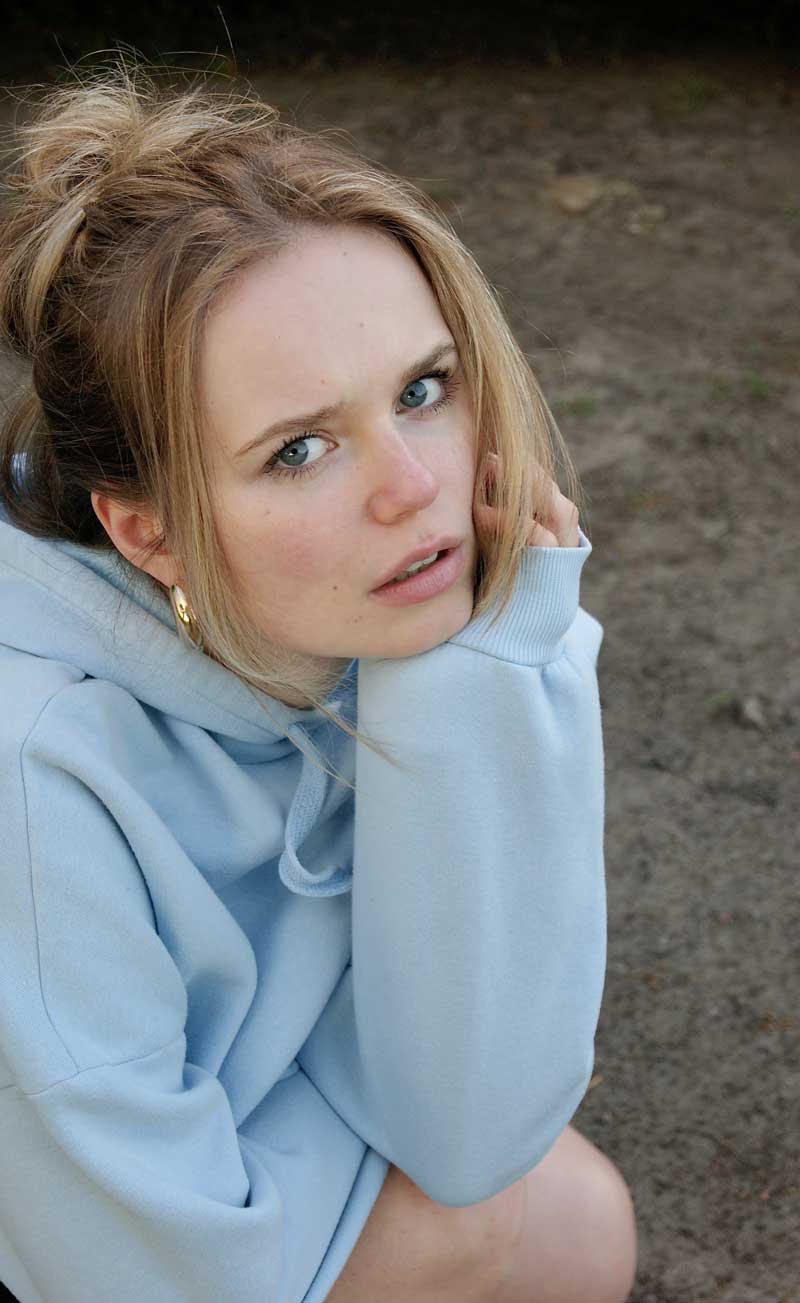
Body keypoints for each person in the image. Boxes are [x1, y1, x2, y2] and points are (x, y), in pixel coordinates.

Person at [0, 61, 637, 1303]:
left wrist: (473, 677)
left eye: (421, 390)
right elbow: (136, 1271)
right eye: (299, 449)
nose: (414, 487)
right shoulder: (34, 772)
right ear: (148, 534)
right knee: (481, 1234)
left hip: (246, 1145)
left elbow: (470, 1132)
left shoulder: (354, 608)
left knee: (569, 1228)